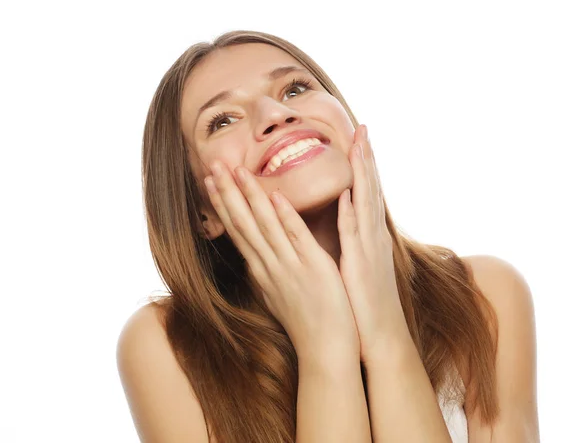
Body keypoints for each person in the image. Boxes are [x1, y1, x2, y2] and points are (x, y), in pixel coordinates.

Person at [116, 30, 539, 443]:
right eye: (222, 120)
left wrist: (386, 334)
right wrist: (325, 347)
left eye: (295, 89)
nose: (276, 115)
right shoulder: (167, 346)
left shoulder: (486, 296)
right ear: (201, 213)